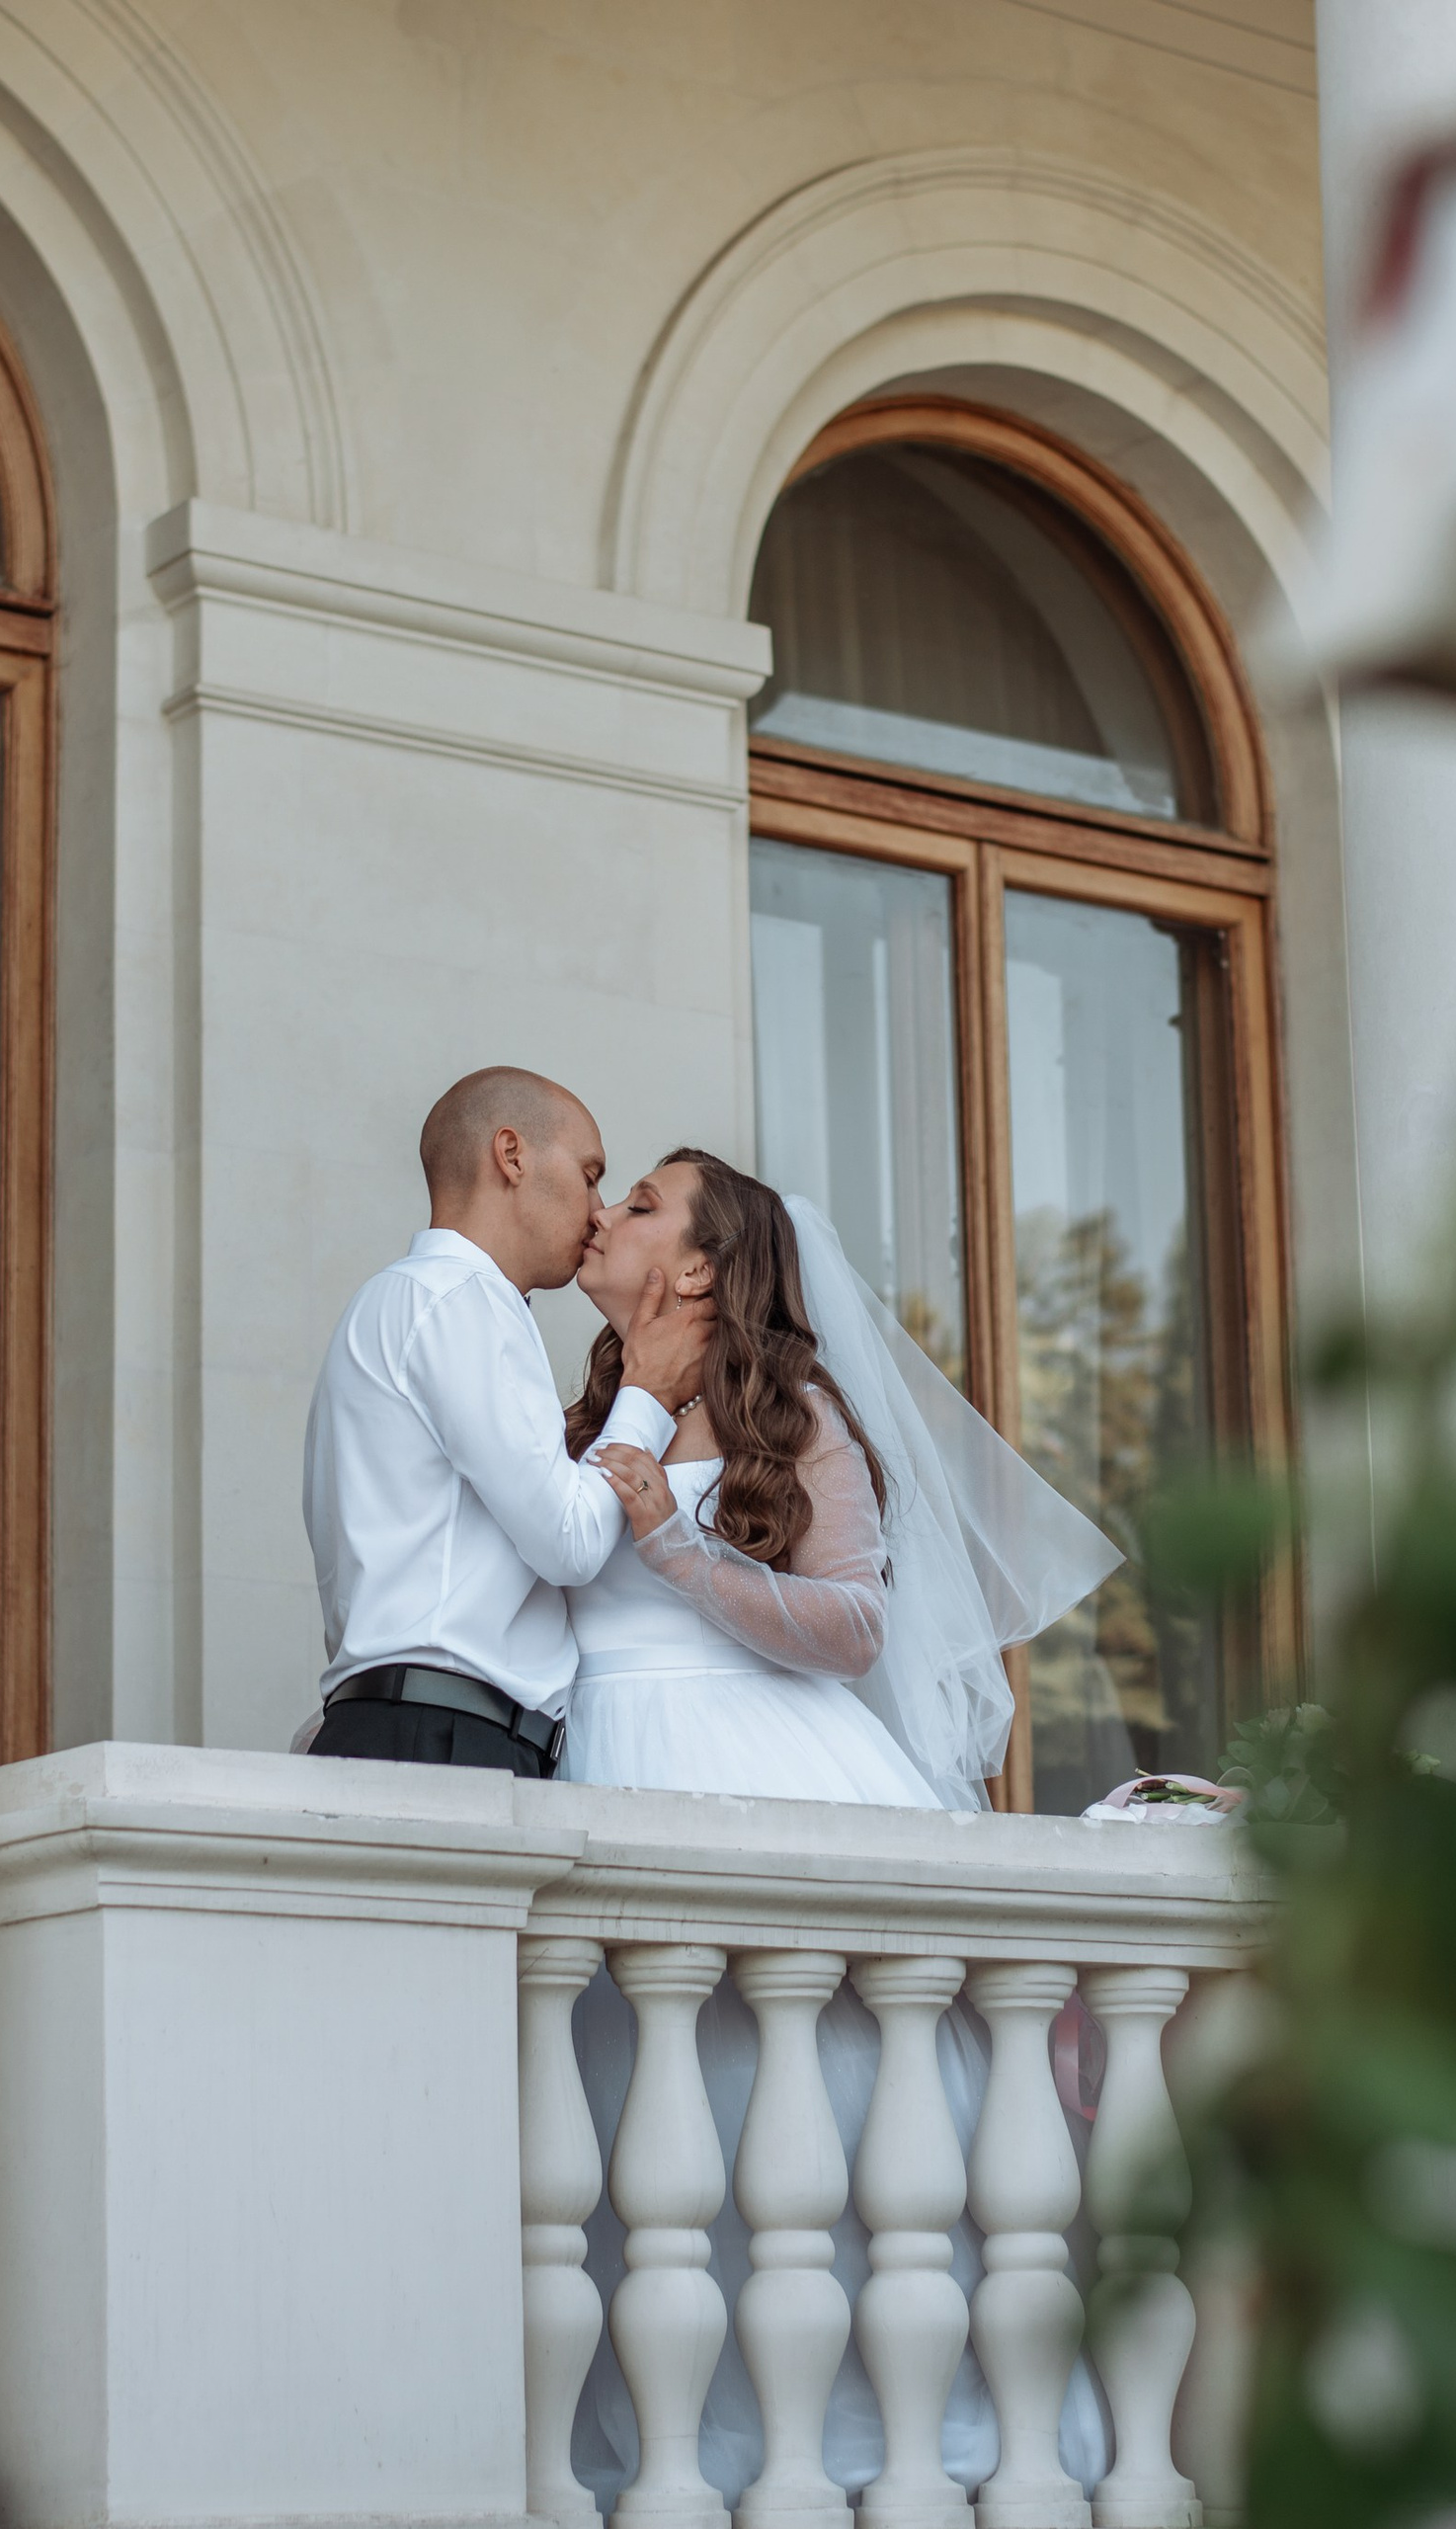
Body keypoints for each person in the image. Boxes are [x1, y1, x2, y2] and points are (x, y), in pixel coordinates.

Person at [550, 1149, 1124, 2510]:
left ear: (695, 1265)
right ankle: (686, 2450)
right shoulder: (583, 1410)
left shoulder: (794, 1413)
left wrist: (682, 1554)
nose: (603, 1214)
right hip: (602, 1772)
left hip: (764, 1770)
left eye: (638, 1203)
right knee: (635, 2135)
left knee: (811, 2127)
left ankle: (887, 2445)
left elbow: (859, 1622)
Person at [295, 1068, 711, 1776]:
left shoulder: (405, 1302)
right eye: (588, 1175)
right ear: (512, 1156)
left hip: (419, 1726)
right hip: (443, 1738)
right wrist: (646, 1390)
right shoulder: (459, 1300)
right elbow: (570, 1542)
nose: (598, 1210)